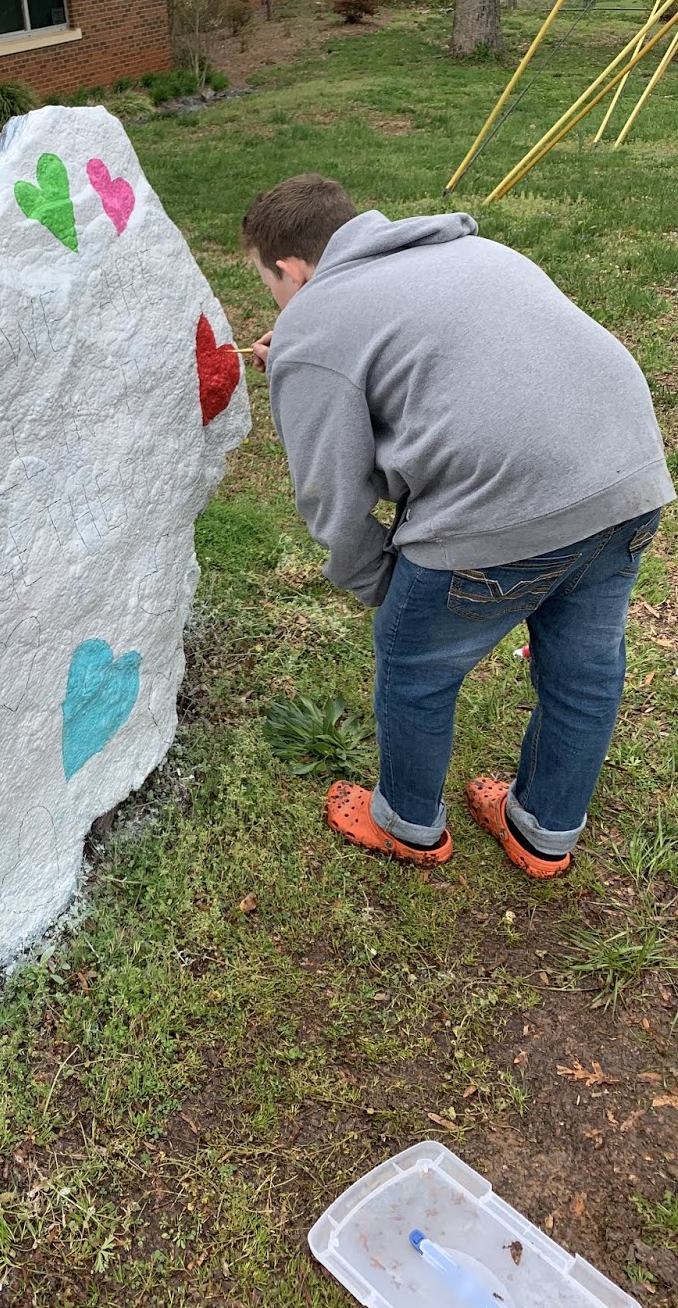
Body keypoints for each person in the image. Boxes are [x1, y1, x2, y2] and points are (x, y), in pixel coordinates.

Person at [245, 174, 673, 879]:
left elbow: (331, 494)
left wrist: (380, 584)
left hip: (503, 510)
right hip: (627, 480)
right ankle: (545, 831)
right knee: (585, 668)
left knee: (413, 663)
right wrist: (301, 354)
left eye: (272, 286)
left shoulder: (313, 325)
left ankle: (408, 825)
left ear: (290, 268)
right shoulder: (472, 253)